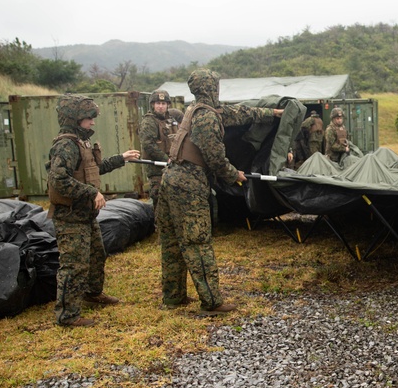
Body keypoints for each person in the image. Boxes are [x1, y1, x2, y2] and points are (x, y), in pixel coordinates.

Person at [157, 68, 283, 314]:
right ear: (211, 87)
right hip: (188, 183)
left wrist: (271, 113)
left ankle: (173, 297)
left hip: (171, 179)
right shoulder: (206, 117)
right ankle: (212, 302)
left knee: (172, 241)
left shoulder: (196, 109)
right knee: (197, 242)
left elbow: (238, 112)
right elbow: (215, 157)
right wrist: (233, 174)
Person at [47, 94, 140, 328]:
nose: (93, 122)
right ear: (75, 118)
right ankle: (67, 315)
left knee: (97, 255)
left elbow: (95, 169)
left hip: (86, 215)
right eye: (89, 117)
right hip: (70, 217)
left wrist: (122, 158)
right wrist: (92, 193)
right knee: (74, 265)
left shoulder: (82, 142)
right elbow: (58, 180)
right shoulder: (65, 145)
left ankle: (92, 293)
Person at [139, 89, 183, 209]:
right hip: (158, 172)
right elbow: (148, 145)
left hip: (174, 169)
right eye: (158, 103)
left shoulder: (171, 120)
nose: (160, 106)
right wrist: (166, 160)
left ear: (168, 105)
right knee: (160, 204)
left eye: (163, 104)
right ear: (153, 105)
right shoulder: (149, 121)